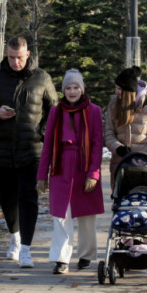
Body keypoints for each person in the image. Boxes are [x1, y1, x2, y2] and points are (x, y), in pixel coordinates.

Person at [0, 36, 58, 268]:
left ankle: (27, 250)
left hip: (31, 150)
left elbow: (54, 110)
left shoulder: (41, 77)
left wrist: (41, 132)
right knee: (7, 198)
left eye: (19, 58)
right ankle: (15, 238)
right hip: (2, 150)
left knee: (28, 197)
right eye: (11, 57)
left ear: (27, 54)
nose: (15, 62)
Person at [37, 69, 104, 274]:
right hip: (61, 165)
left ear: (82, 89)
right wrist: (42, 174)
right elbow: (48, 143)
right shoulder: (56, 112)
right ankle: (61, 259)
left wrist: (93, 173)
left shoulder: (93, 110)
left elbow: (96, 143)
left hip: (84, 166)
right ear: (63, 90)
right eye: (68, 88)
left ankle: (85, 255)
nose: (72, 91)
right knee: (61, 215)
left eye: (76, 87)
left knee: (86, 215)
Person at [104, 65, 147, 191]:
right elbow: (108, 132)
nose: (116, 92)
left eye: (119, 89)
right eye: (116, 88)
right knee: (122, 204)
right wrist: (118, 148)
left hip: (145, 165)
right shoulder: (113, 104)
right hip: (121, 165)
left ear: (129, 91)